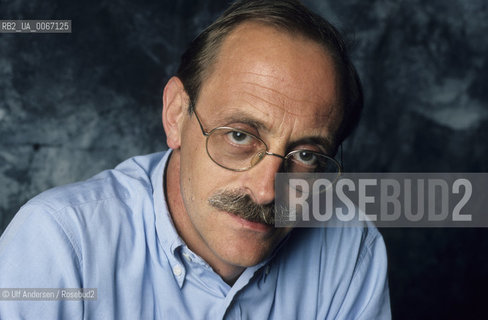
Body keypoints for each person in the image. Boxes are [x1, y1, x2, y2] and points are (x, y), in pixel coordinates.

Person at [0, 0, 390, 319]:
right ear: (175, 115)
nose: (267, 191)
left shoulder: (349, 248)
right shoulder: (60, 244)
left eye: (305, 155)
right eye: (239, 136)